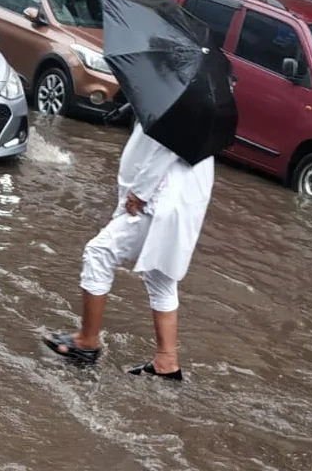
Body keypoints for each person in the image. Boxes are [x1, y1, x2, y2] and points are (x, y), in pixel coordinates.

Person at [43, 121, 215, 380]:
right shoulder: (199, 111)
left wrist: (140, 193)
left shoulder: (177, 104)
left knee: (98, 253)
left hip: (158, 201)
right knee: (160, 278)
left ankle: (87, 342)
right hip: (181, 205)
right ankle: (166, 362)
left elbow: (168, 145)